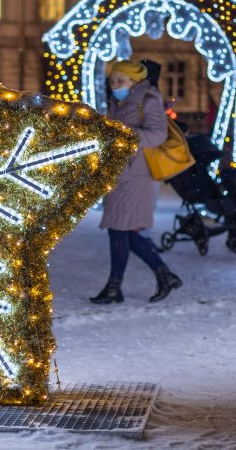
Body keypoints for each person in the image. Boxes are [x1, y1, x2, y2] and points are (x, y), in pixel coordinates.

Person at [91, 60, 183, 304]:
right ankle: (161, 276)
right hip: (118, 174)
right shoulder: (116, 102)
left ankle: (117, 286)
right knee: (119, 231)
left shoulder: (148, 99)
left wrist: (126, 135)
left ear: (134, 82)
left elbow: (157, 135)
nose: (115, 85)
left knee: (121, 230)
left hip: (137, 175)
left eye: (120, 81)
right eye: (112, 81)